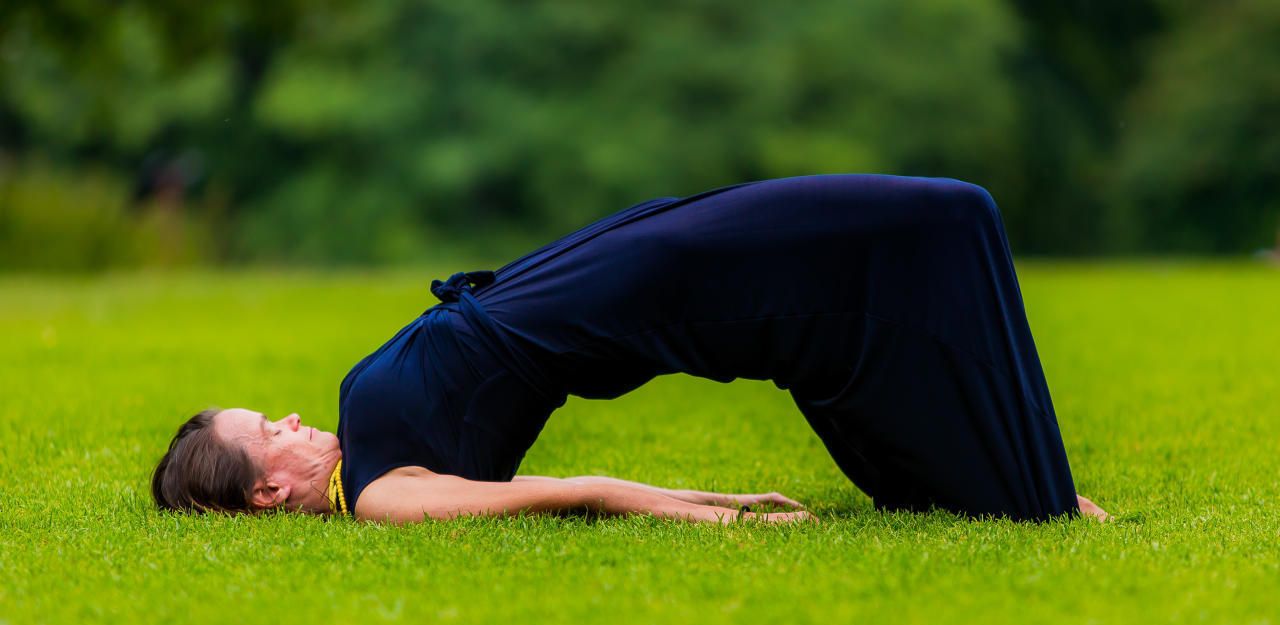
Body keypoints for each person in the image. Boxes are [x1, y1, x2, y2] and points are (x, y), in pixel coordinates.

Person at [152, 174, 1109, 524]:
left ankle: (1018, 484)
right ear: (268, 490)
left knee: (894, 263)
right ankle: (1028, 489)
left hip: (602, 266)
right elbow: (577, 491)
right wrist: (722, 510)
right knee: (942, 222)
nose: (284, 416)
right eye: (264, 431)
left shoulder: (363, 448)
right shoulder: (382, 497)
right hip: (645, 290)